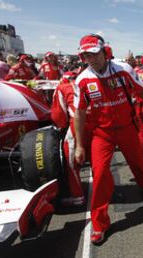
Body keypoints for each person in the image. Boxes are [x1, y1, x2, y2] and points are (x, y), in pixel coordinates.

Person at [73, 34, 143, 244]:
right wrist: (79, 145)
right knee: (100, 174)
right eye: (86, 55)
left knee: (138, 161)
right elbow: (79, 113)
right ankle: (99, 224)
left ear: (105, 52)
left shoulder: (124, 69)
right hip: (102, 133)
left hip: (127, 128)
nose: (91, 59)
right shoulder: (82, 79)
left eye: (94, 53)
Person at [51, 71, 87, 206]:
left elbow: (58, 116)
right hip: (96, 123)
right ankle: (103, 188)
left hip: (76, 124)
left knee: (70, 159)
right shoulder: (86, 82)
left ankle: (78, 196)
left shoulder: (61, 88)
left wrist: (62, 126)